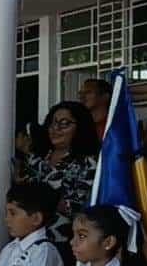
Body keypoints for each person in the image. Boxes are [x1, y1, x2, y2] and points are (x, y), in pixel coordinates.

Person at [14, 101, 99, 248]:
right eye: (52, 123)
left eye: (64, 123)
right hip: (28, 239)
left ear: (80, 127)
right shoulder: (41, 156)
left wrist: (44, 197)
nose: (55, 128)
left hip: (63, 242)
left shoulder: (87, 162)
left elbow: (79, 207)